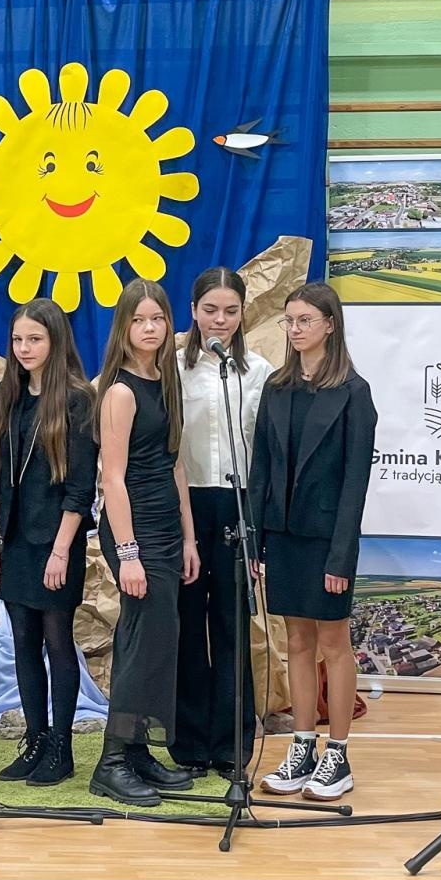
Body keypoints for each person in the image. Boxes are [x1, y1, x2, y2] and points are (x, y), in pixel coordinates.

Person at [251, 282, 376, 801]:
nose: (296, 329)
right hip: (283, 537)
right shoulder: (277, 387)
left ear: (330, 324)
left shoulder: (353, 391)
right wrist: (256, 543)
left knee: (333, 643)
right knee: (296, 641)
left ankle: (338, 755)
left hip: (327, 540)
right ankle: (303, 745)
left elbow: (355, 483)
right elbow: (261, 468)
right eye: (290, 320)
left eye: (305, 319)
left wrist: (341, 555)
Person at [91, 279, 201, 807]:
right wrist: (129, 553)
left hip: (164, 527)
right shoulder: (119, 391)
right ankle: (111, 762)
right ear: (124, 327)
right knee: (142, 640)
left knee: (158, 639)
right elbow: (112, 478)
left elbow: (174, 462)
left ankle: (136, 753)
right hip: (131, 529)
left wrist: (189, 537)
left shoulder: (165, 380)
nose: (150, 328)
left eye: (158, 319)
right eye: (139, 320)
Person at [0, 298, 97, 788]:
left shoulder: (76, 398)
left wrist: (59, 550)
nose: (25, 348)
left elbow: (80, 489)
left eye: (35, 338)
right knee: (25, 644)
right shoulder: (9, 396)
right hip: (15, 540)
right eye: (18, 339)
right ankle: (34, 738)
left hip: (56, 542)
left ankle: (61, 747)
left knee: (57, 641)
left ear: (55, 341)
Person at [174, 267, 274, 779]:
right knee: (189, 625)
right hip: (186, 507)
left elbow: (264, 452)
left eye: (230, 311)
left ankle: (232, 742)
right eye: (210, 309)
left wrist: (259, 530)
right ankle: (189, 741)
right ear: (193, 311)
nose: (220, 319)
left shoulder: (258, 371)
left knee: (233, 626)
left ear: (243, 313)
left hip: (237, 505)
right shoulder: (172, 368)